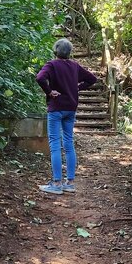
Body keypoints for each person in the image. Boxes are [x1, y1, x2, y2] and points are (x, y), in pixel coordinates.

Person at [35, 38, 98, 195]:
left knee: (55, 144)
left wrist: (49, 92)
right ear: (69, 52)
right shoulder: (74, 66)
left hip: (56, 108)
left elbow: (40, 78)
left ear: (56, 50)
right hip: (71, 108)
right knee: (69, 144)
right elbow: (92, 79)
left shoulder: (52, 65)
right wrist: (78, 87)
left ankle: (57, 183)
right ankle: (69, 183)